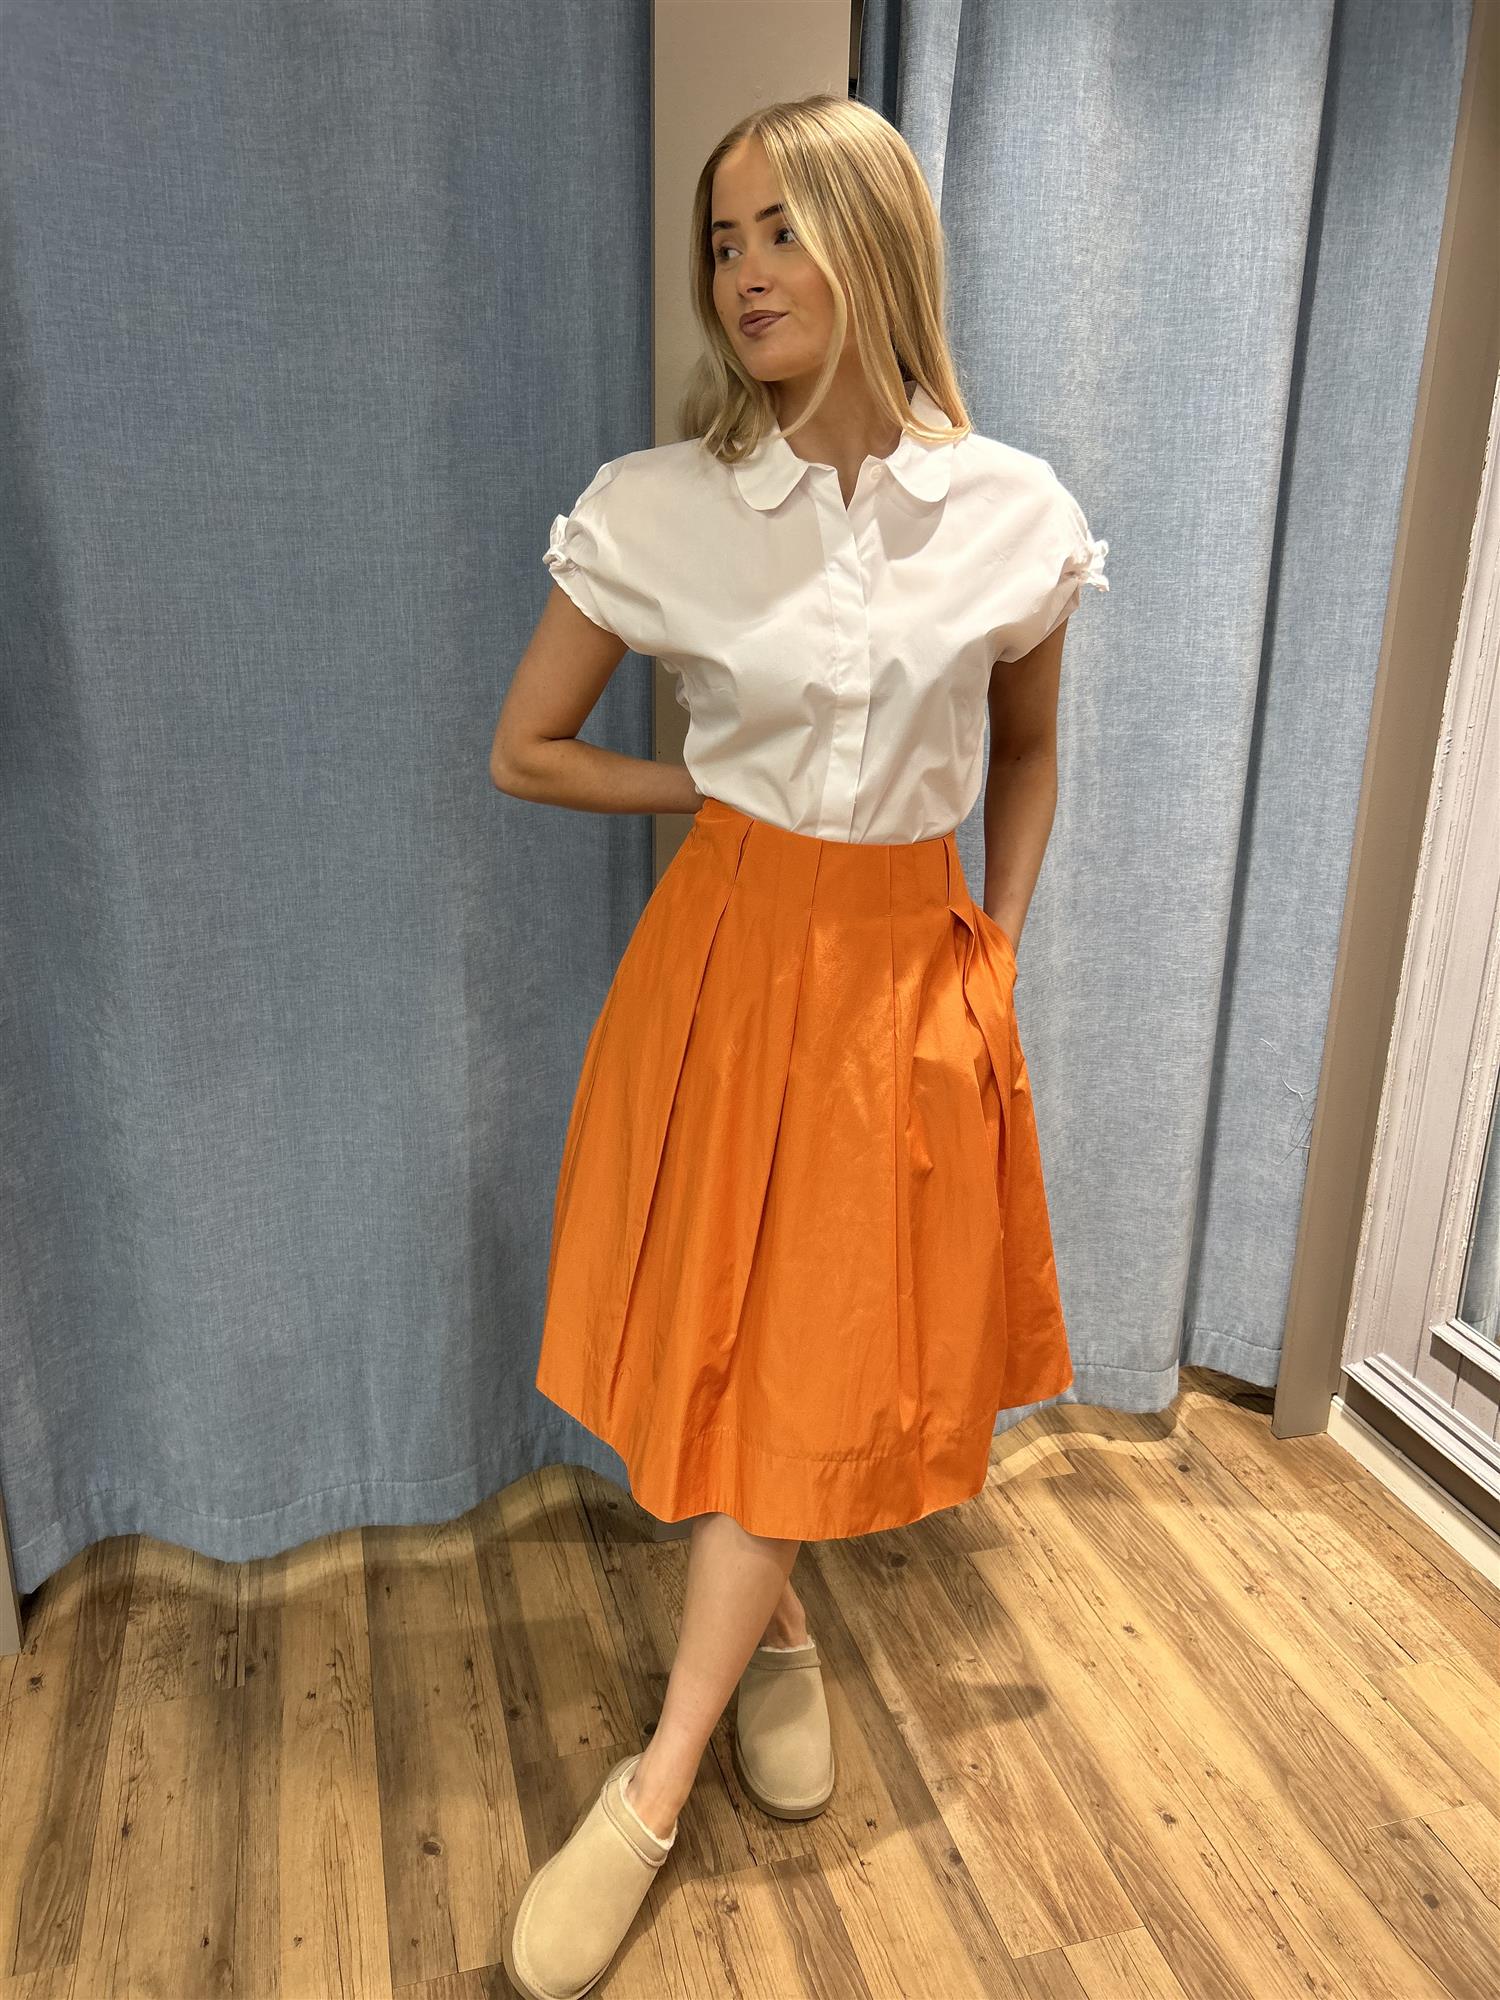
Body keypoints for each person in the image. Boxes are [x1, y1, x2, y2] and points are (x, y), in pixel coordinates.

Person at [489, 91, 1109, 2000]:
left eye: (781, 229)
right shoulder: (660, 507)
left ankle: (651, 1790)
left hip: (904, 985)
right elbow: (527, 750)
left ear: (877, 239)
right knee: (722, 1337)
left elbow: (1026, 752)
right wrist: (708, 792)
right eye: (723, 240)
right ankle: (770, 1637)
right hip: (725, 963)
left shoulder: (1012, 514)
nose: (744, 272)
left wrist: (996, 956)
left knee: (817, 1347)